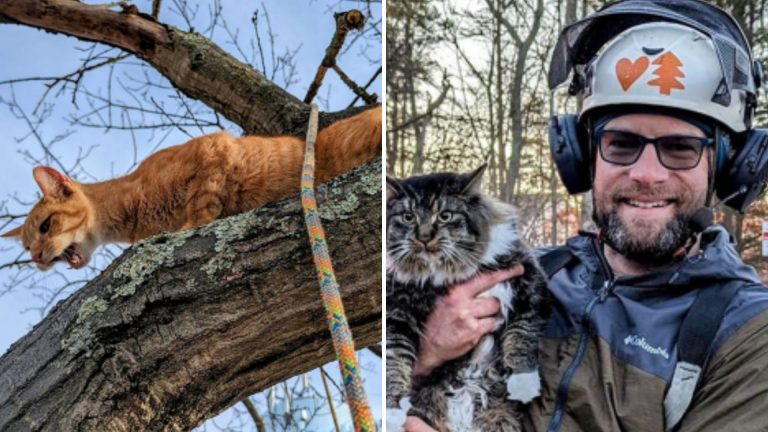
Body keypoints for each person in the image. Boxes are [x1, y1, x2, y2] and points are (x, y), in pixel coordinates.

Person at [402, 1, 768, 431]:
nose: (647, 174)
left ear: (727, 166)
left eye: (680, 148)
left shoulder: (745, 334)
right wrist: (426, 355)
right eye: (621, 143)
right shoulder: (526, 277)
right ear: (581, 156)